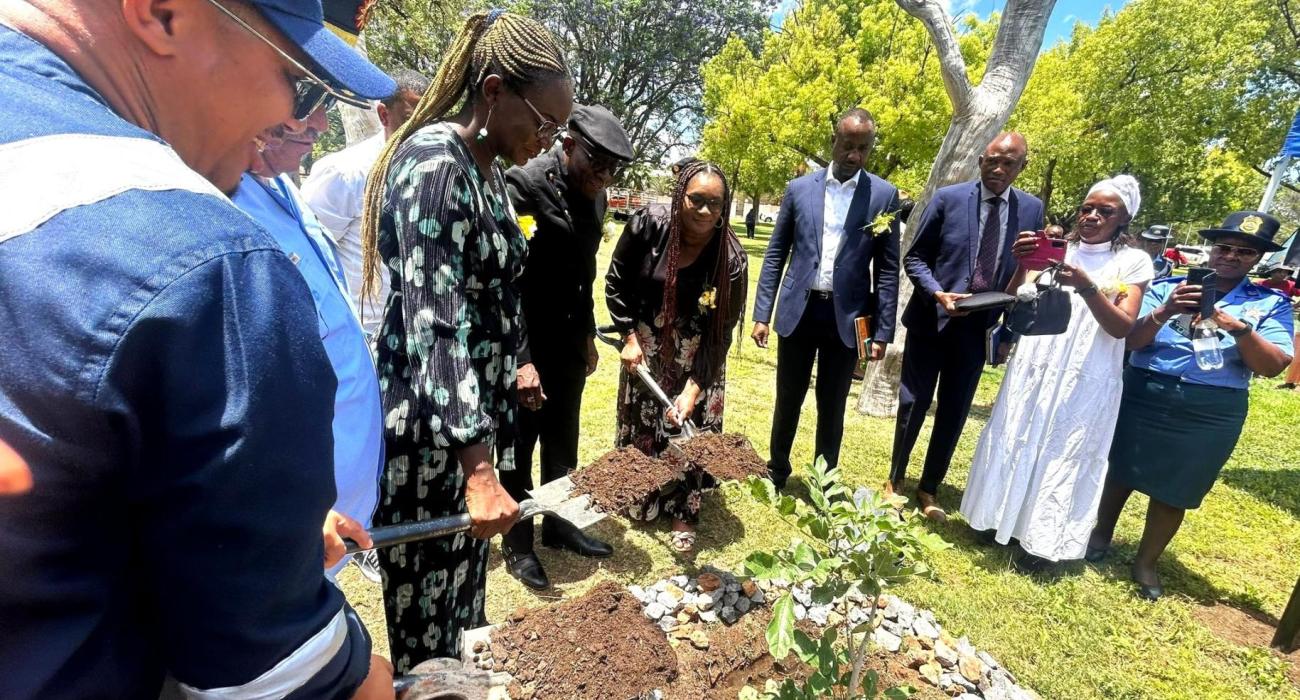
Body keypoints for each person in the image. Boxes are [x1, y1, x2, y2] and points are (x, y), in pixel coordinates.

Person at [0, 0, 397, 698]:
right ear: (163, 12)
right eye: (296, 81)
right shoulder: (203, 258)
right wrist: (366, 675)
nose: (296, 120)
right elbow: (281, 684)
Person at [358, 10, 573, 671]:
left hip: (469, 428)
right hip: (430, 445)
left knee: (464, 615)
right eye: (542, 121)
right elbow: (435, 325)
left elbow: (494, 296)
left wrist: (517, 362)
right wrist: (479, 469)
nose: (549, 139)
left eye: (559, 129)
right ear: (493, 91)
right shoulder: (434, 166)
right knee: (430, 630)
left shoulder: (487, 172)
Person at [1090, 211, 1294, 600]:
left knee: (1177, 487)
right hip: (1144, 391)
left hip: (1210, 407)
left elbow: (1271, 366)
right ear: (1212, 250)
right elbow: (1130, 341)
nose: (1231, 256)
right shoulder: (1168, 286)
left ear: (1257, 259)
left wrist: (1237, 327)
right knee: (1119, 468)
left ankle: (1146, 562)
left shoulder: (1270, 303)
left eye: (1244, 252)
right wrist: (1165, 310)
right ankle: (1099, 535)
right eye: (1224, 247)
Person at [960, 176, 1153, 569]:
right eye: (1087, 207)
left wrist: (1086, 287)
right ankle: (993, 517)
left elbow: (1121, 328)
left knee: (1063, 447)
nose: (1093, 216)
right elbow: (1016, 299)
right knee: (1017, 430)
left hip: (1086, 369)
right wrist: (1021, 264)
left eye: (1105, 210)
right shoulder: (1058, 248)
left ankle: (1041, 540)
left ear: (1123, 218)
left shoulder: (1133, 262)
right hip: (1037, 359)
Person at [232, 103, 383, 581]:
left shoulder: (280, 184)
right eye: (304, 104)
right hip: (295, 514)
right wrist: (294, 502)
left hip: (333, 507)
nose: (320, 124)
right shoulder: (216, 203)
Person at [499, 104, 633, 589]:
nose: (606, 175)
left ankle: (558, 526)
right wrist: (520, 359)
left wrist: (587, 337)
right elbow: (505, 283)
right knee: (519, 444)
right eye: (598, 162)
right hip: (526, 346)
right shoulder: (523, 185)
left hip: (568, 347)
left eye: (615, 167)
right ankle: (517, 545)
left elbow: (584, 273)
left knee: (562, 443)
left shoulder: (594, 196)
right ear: (569, 144)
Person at [890, 133, 1045, 519]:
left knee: (955, 410)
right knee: (913, 403)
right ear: (980, 160)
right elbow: (917, 259)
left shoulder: (1031, 210)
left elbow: (1030, 275)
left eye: (1008, 163)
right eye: (992, 160)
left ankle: (929, 488)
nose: (998, 168)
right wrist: (938, 293)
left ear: (1022, 166)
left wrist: (1008, 330)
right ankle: (895, 481)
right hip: (933, 321)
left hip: (980, 330)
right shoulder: (949, 199)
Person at [753, 108, 901, 490]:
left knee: (832, 404)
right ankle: (777, 470)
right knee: (788, 397)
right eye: (848, 146)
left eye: (863, 148)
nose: (854, 155)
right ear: (834, 142)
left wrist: (883, 330)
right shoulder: (798, 189)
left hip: (848, 318)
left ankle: (824, 481)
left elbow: (887, 270)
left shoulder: (884, 195)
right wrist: (761, 314)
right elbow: (775, 254)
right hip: (798, 312)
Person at [605, 160, 748, 552]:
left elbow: (721, 335)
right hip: (648, 348)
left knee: (692, 430)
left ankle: (686, 506)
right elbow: (616, 282)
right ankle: (643, 493)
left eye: (715, 204)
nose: (704, 211)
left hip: (699, 353)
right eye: (696, 199)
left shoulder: (730, 261)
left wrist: (693, 389)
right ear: (679, 194)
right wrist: (629, 337)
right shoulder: (648, 225)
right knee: (645, 424)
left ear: (725, 208)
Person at [303, 68, 431, 334]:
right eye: (410, 120)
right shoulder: (346, 173)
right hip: (363, 334)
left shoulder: (432, 173)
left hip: (417, 331)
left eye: (427, 121)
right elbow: (308, 258)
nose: (419, 131)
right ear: (384, 115)